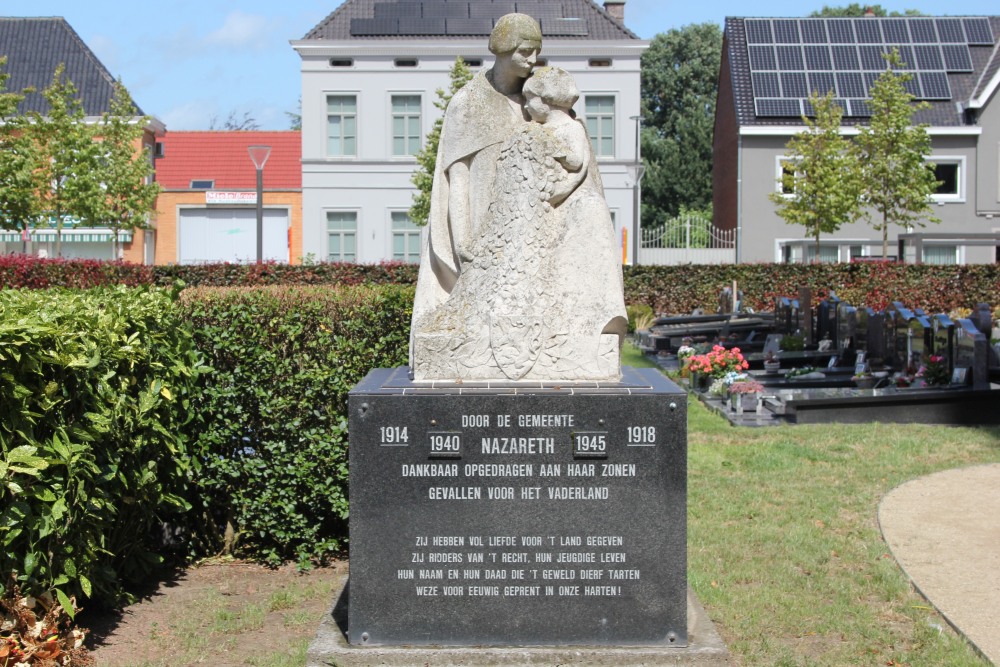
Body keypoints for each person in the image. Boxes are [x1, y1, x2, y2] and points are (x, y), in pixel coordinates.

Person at [411, 13, 541, 338]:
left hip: (528, 219)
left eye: (536, 51)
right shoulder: (468, 104)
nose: (533, 59)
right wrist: (463, 240)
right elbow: (458, 179)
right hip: (482, 221)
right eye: (525, 51)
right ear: (502, 48)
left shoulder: (539, 98)